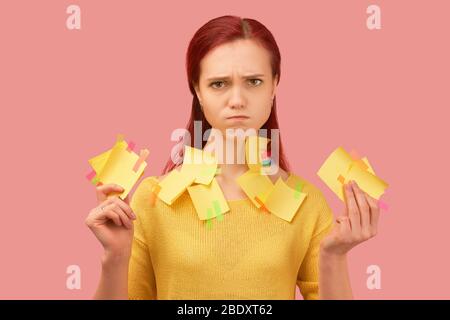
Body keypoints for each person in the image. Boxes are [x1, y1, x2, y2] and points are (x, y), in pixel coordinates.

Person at [85, 15, 380, 300]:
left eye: (253, 82)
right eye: (219, 84)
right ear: (197, 91)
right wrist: (114, 256)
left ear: (275, 85)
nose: (237, 100)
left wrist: (334, 255)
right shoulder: (151, 201)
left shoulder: (307, 204)